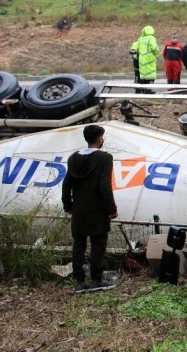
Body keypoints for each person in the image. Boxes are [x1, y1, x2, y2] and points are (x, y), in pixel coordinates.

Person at [62, 125, 118, 294]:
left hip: (79, 211)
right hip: (98, 211)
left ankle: (79, 280)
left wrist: (68, 205)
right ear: (100, 138)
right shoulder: (104, 158)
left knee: (78, 244)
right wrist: (111, 208)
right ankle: (96, 279)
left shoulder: (73, 158)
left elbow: (66, 185)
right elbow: (104, 186)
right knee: (98, 244)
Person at [135, 25, 160, 94]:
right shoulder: (151, 38)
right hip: (149, 59)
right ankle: (148, 89)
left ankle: (144, 89)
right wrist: (157, 52)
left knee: (143, 74)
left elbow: (136, 47)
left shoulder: (140, 39)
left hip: (142, 59)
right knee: (151, 74)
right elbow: (155, 49)